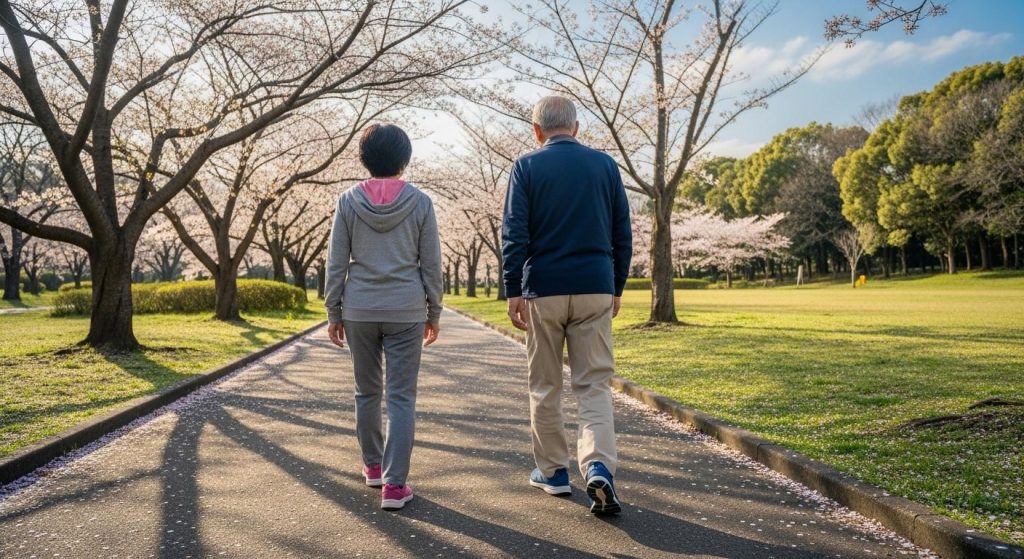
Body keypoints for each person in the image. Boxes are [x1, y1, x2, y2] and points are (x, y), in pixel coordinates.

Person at [502, 95, 632, 515]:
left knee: (545, 385)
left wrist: (512, 287)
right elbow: (622, 233)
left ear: (537, 131)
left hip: (544, 288)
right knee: (593, 384)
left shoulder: (526, 166)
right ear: (576, 128)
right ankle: (598, 465)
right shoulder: (605, 166)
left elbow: (514, 232)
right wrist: (617, 286)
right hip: (595, 284)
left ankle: (553, 472)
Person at [324, 123, 443, 511]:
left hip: (359, 309)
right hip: (406, 308)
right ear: (404, 160)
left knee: (366, 392)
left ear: (364, 159)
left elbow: (336, 262)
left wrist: (334, 310)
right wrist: (434, 311)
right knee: (401, 397)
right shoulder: (421, 202)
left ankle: (373, 467)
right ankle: (395, 486)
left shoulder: (347, 201)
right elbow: (432, 264)